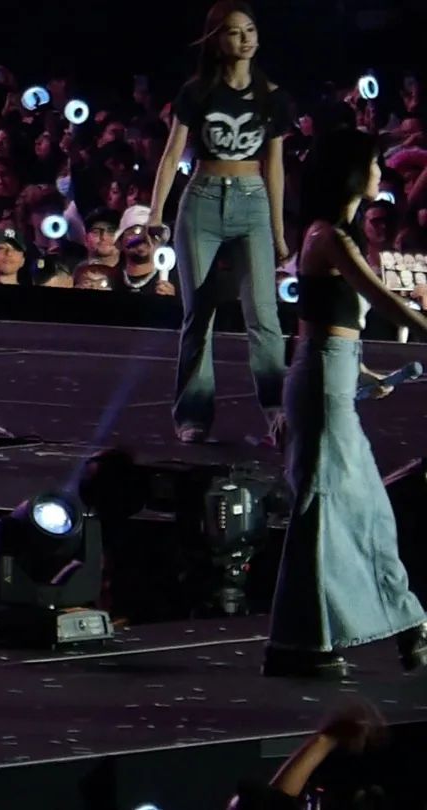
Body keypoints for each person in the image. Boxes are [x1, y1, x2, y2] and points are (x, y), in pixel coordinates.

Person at [262, 127, 427, 679]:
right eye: (375, 163)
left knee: (364, 505)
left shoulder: (332, 236)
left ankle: (403, 623)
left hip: (329, 376)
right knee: (326, 505)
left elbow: (326, 326)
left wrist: (364, 370)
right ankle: (303, 640)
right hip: (320, 385)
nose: (381, 171)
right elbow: (382, 301)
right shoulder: (329, 237)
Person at [148, 1, 292, 445]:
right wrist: (155, 213)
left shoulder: (272, 96)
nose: (244, 39)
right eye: (233, 32)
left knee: (263, 314)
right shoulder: (197, 92)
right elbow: (172, 155)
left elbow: (275, 166)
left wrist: (278, 229)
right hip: (203, 200)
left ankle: (279, 412)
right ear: (216, 41)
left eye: (250, 30)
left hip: (251, 202)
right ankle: (193, 414)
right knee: (199, 314)